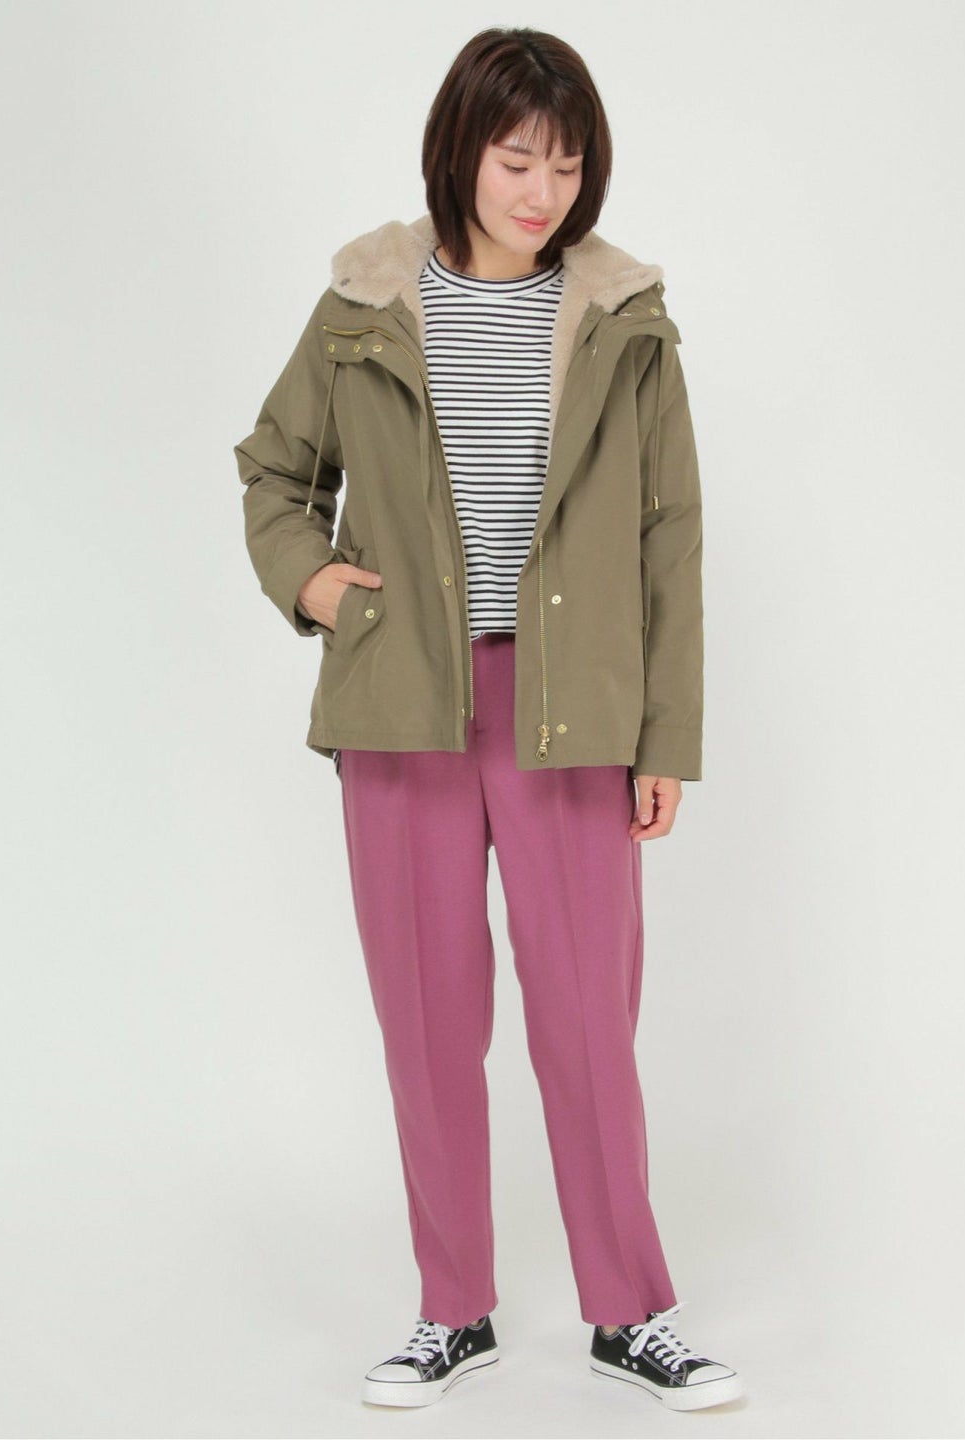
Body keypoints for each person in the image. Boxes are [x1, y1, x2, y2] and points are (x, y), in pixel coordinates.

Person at [233, 25, 742, 1414]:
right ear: (461, 149)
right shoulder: (363, 306)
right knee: (427, 1020)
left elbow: (672, 538)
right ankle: (451, 1311)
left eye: (567, 167)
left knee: (586, 1025)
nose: (541, 191)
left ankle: (631, 1312)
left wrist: (667, 737)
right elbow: (275, 473)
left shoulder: (626, 318)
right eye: (518, 159)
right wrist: (314, 583)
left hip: (573, 705)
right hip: (402, 701)